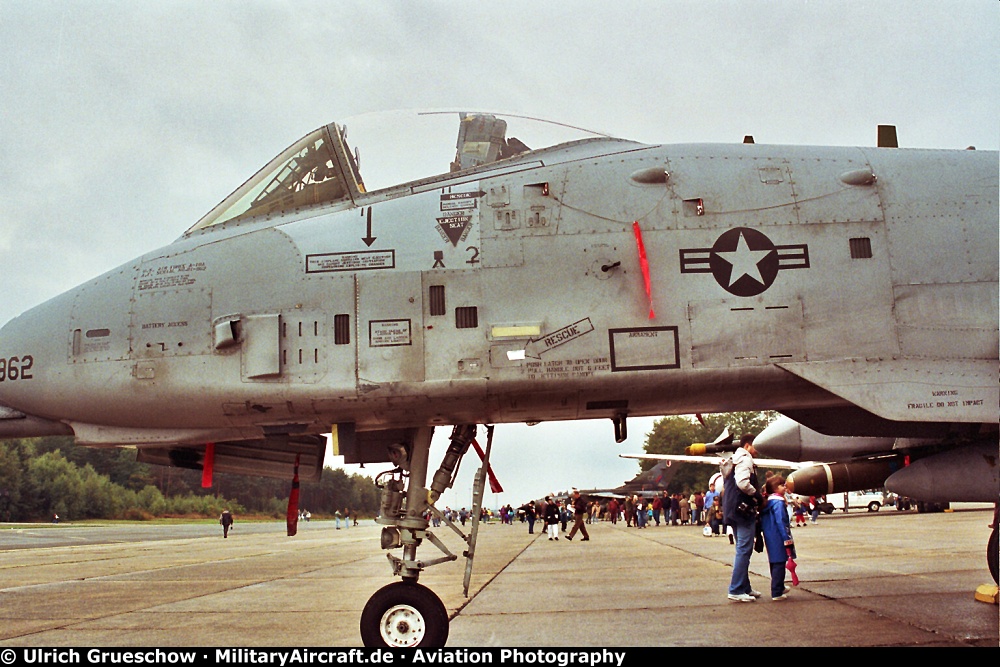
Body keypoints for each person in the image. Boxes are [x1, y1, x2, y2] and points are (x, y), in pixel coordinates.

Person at [722, 434, 763, 602]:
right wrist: (757, 494)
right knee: (744, 550)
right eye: (757, 446)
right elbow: (742, 483)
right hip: (743, 510)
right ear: (748, 445)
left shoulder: (732, 459)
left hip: (732, 509)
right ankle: (736, 588)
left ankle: (744, 586)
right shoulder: (745, 460)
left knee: (742, 547)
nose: (759, 450)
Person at [760, 475, 794, 601]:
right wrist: (786, 537)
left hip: (770, 535)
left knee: (774, 562)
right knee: (780, 562)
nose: (785, 487)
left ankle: (779, 586)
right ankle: (776, 591)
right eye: (782, 485)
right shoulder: (778, 503)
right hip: (778, 535)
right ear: (775, 488)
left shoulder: (768, 502)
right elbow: (781, 521)